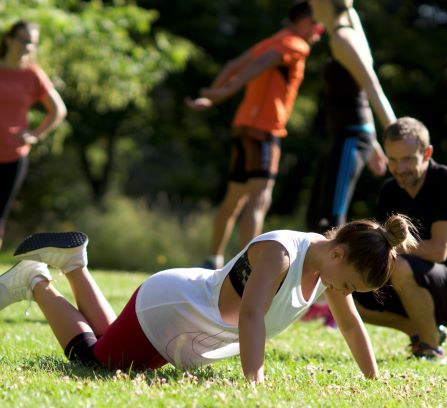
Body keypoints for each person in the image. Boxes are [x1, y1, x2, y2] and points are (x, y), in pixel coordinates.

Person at [0, 214, 417, 383]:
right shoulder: (281, 254)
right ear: (339, 252)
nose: (342, 295)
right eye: (348, 286)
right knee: (97, 363)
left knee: (112, 340)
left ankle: (74, 264)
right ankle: (36, 282)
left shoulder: (329, 268)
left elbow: (349, 324)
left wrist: (371, 381)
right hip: (173, 306)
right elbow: (251, 315)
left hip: (185, 319)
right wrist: (254, 383)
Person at [186, 2, 323, 269]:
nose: (320, 31)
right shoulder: (296, 44)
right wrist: (225, 92)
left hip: (243, 127)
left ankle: (212, 260)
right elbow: (263, 63)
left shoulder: (273, 40)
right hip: (265, 129)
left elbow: (233, 64)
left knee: (234, 198)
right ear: (305, 21)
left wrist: (211, 96)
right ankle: (247, 267)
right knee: (258, 199)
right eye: (318, 24)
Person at [352, 117, 447, 361]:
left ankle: (431, 349)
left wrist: (394, 245)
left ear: (427, 153)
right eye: (392, 160)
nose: (399, 168)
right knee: (348, 283)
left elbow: (438, 251)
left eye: (407, 159)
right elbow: (382, 247)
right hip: (407, 281)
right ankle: (420, 330)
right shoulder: (390, 191)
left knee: (401, 265)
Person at [306, 0, 396, 234]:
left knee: (330, 223)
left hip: (351, 137)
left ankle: (336, 271)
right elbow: (359, 92)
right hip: (352, 137)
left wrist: (398, 135)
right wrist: (374, 141)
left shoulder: (343, 39)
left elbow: (372, 86)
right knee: (320, 218)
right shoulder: (347, 32)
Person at [0, 20, 67, 249]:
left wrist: (35, 135)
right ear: (9, 39)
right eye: (23, 40)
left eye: (33, 43)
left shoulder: (33, 75)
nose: (27, 47)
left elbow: (58, 110)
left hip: (13, 156)